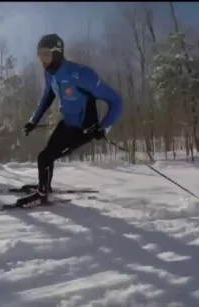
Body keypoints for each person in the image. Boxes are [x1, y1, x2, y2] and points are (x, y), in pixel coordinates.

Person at [16, 33, 123, 207]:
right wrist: (33, 120)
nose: (41, 60)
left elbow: (116, 101)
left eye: (45, 54)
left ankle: (42, 194)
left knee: (44, 158)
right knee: (45, 157)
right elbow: (47, 96)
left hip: (83, 129)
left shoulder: (81, 74)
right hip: (67, 124)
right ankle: (45, 187)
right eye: (39, 55)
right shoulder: (50, 74)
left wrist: (104, 127)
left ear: (56, 53)